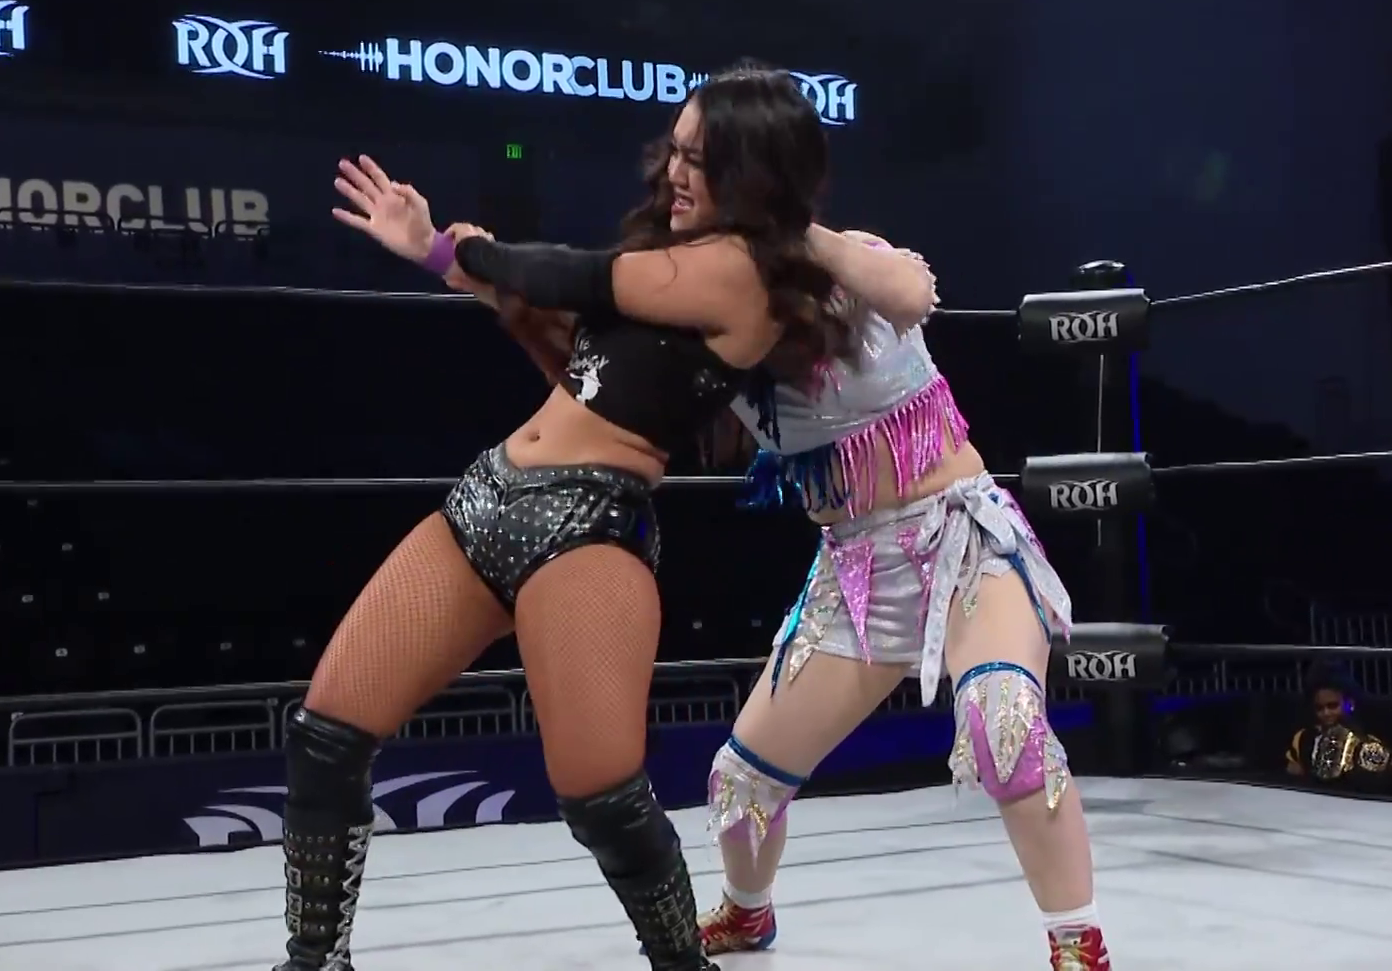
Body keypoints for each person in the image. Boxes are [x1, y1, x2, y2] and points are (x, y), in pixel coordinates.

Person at [275, 66, 853, 971]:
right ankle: (314, 964)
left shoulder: (742, 272)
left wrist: (454, 249)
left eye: (700, 160)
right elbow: (571, 348)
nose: (675, 173)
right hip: (489, 497)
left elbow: (566, 275)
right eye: (674, 151)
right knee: (327, 733)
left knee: (600, 795)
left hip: (587, 530)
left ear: (753, 173)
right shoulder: (668, 258)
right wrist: (439, 254)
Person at [690, 242, 1110, 970]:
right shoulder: (704, 321)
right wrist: (477, 266)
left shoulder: (842, 260)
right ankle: (746, 910)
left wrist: (793, 226)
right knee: (740, 780)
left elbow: (915, 293)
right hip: (855, 571)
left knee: (1004, 723)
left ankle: (1078, 948)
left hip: (963, 537)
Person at [1285, 667, 1392, 790]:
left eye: (1332, 706)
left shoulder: (1367, 740)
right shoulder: (1303, 738)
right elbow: (1292, 769)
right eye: (1319, 708)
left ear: (1349, 704)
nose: (1326, 713)